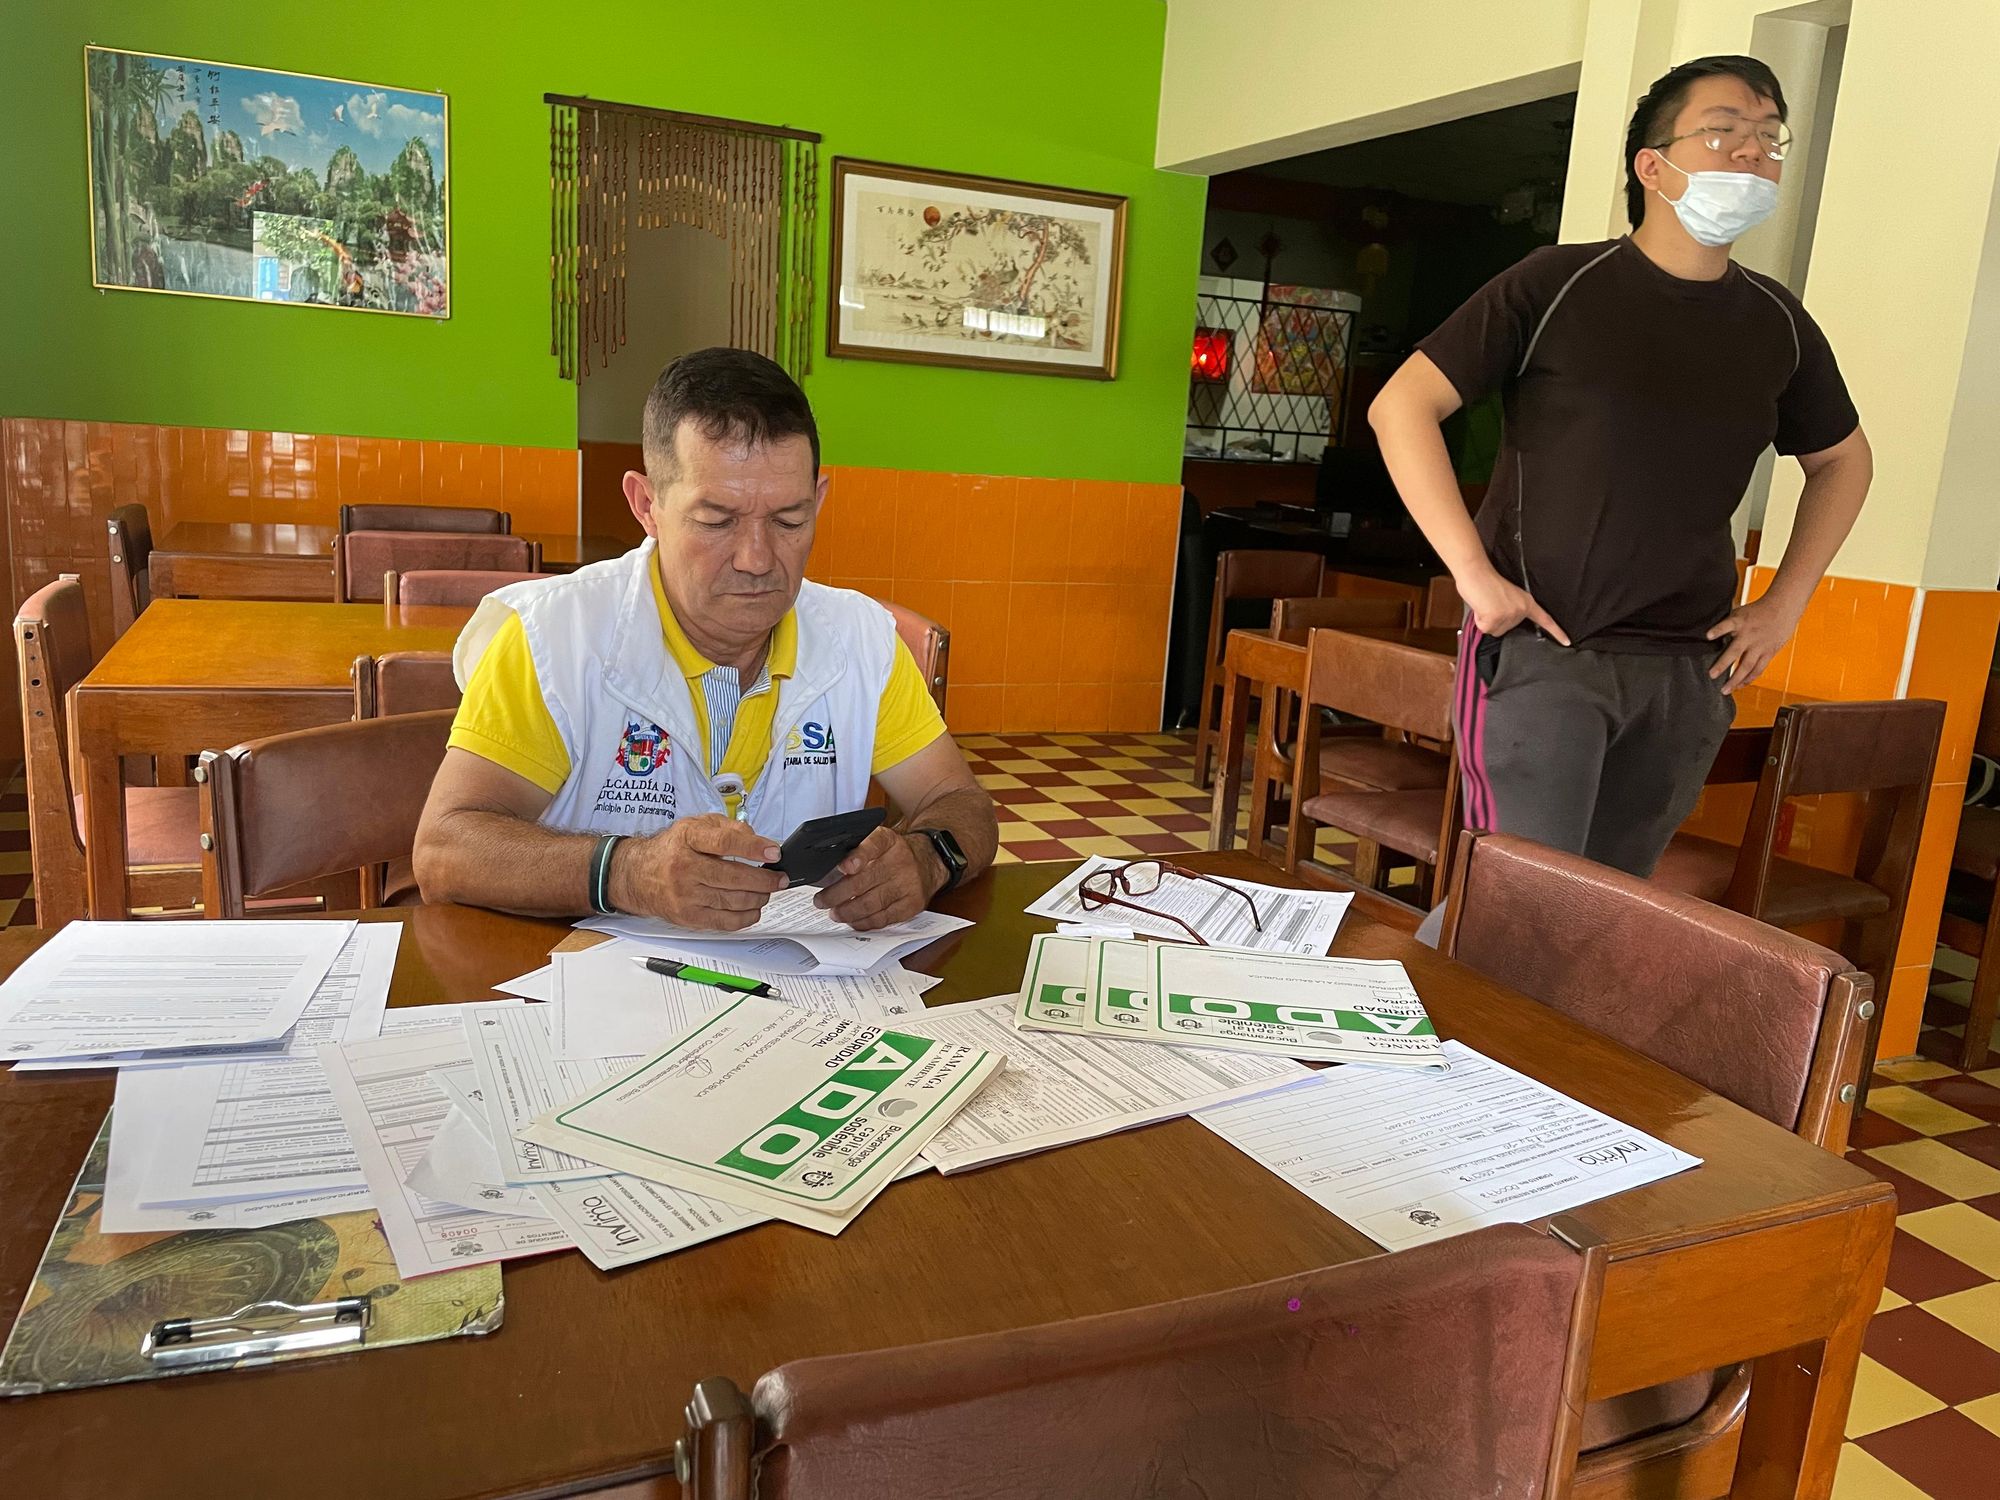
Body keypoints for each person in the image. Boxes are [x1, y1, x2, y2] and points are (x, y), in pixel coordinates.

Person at [1370, 55, 1871, 911]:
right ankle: (1412, 1044)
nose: (1752, 153)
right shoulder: (1556, 284)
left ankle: (1531, 1049)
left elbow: (1842, 462)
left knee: (1609, 910)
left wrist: (1785, 604)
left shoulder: (1778, 322)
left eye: (1768, 137)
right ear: (1653, 165)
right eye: (1724, 131)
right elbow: (1402, 407)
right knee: (1515, 904)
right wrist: (1474, 578)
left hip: (1689, 672)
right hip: (1545, 653)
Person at [413, 347, 998, 931]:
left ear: (818, 500)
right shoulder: (554, 636)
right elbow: (444, 850)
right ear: (647, 505)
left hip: (803, 998)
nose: (757, 559)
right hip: (591, 988)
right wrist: (627, 872)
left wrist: (929, 858)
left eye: (790, 520)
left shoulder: (860, 639)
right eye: (717, 521)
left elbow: (961, 803)